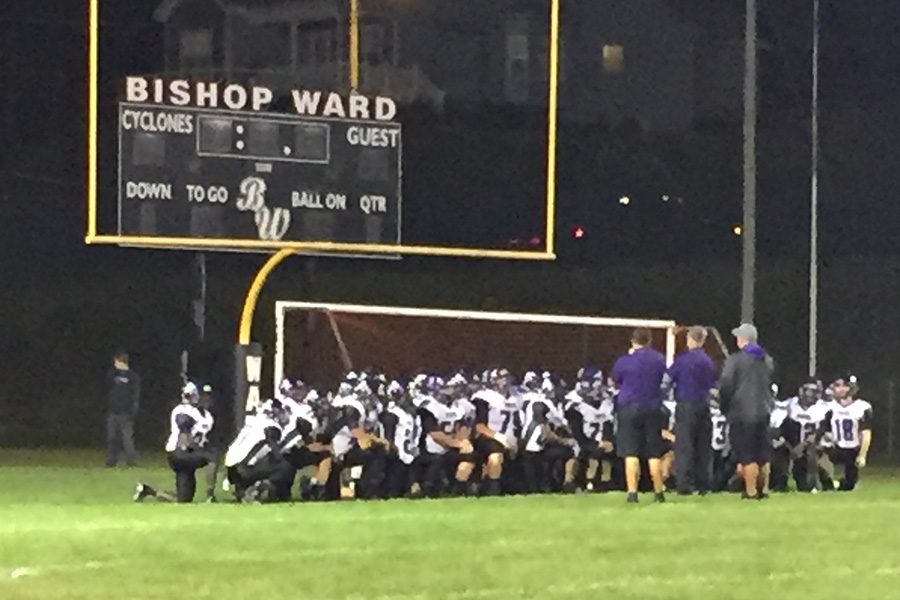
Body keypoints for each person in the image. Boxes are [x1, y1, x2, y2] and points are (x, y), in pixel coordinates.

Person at [610, 328, 668, 503]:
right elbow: (662, 379)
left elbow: (615, 380)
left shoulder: (624, 361)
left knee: (631, 452)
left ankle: (632, 493)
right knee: (653, 453)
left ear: (633, 341)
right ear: (649, 341)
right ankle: (658, 492)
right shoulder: (659, 359)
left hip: (629, 407)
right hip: (652, 406)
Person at [718, 323, 775, 500]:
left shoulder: (735, 360)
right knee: (763, 454)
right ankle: (764, 489)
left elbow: (726, 385)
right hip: (764, 410)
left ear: (743, 339)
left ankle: (750, 492)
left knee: (747, 454)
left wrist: (724, 406)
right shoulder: (767, 359)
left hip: (742, 412)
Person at [134, 382, 216, 503]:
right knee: (212, 458)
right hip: (180, 453)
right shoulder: (184, 411)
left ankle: (148, 490)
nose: (207, 400)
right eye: (204, 396)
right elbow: (184, 438)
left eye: (209, 396)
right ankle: (210, 496)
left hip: (184, 455)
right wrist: (200, 451)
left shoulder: (206, 415)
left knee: (183, 500)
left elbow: (201, 437)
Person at [667, 326, 717, 495]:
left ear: (690, 339)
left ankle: (684, 484)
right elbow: (711, 384)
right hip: (703, 405)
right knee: (703, 445)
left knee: (684, 445)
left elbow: (668, 379)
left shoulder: (682, 360)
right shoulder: (707, 361)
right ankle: (704, 484)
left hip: (686, 404)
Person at [823, 375, 872, 491]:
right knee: (818, 456)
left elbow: (866, 433)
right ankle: (824, 480)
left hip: (852, 449)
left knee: (849, 485)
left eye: (840, 386)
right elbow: (823, 429)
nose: (836, 389)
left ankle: (841, 482)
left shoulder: (862, 407)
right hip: (834, 447)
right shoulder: (829, 407)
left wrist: (862, 455)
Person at [105, 351, 141, 467]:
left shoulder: (133, 377)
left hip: (125, 412)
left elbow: (135, 394)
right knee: (112, 438)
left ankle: (131, 461)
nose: (114, 364)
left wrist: (133, 410)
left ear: (121, 362)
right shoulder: (113, 374)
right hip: (113, 411)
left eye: (116, 362)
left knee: (127, 438)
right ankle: (111, 461)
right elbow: (107, 386)